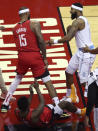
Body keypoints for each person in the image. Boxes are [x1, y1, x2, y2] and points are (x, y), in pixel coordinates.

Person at [1, 7, 59, 112]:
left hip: (22, 57)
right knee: (47, 81)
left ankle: (5, 104)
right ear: (27, 13)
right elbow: (40, 41)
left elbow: (25, 40)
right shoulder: (34, 24)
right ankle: (59, 107)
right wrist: (45, 57)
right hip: (35, 57)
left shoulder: (14, 28)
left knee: (17, 79)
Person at [47, 2, 96, 100]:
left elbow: (68, 38)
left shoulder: (78, 22)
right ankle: (71, 95)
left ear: (77, 11)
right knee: (68, 72)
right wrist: (69, 29)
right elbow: (71, 33)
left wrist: (54, 41)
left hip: (86, 54)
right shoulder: (79, 21)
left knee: (83, 82)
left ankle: (94, 99)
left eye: (72, 10)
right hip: (80, 52)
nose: (70, 11)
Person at [15, 81, 86, 128]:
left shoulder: (17, 111)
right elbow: (42, 102)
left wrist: (31, 93)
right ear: (27, 106)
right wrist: (37, 89)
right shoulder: (34, 115)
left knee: (56, 102)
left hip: (45, 112)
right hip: (50, 117)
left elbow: (27, 103)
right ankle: (80, 112)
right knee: (64, 104)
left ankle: (72, 98)